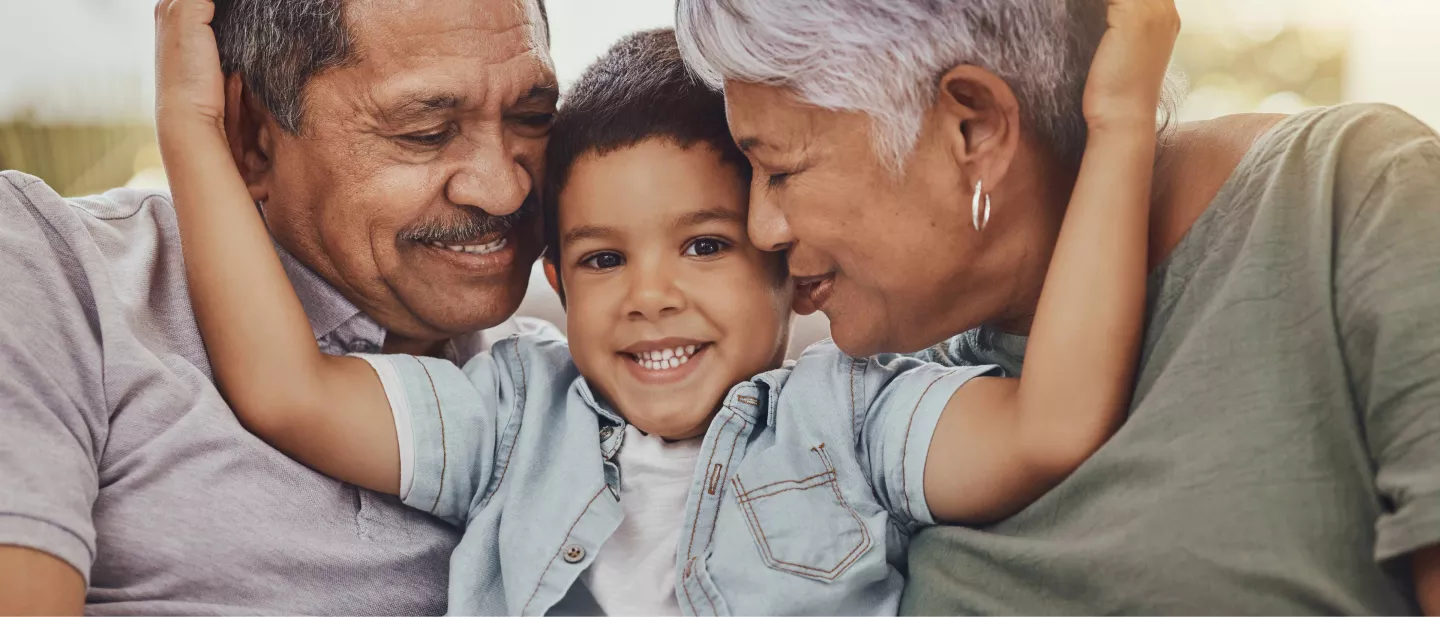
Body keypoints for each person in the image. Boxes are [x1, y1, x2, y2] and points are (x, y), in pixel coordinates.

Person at [155, 0, 1177, 610]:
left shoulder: (854, 416)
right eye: (602, 259)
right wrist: (194, 128)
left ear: (785, 259)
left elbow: (1049, 425)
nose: (651, 297)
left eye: (704, 244)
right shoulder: (515, 415)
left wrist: (1121, 122)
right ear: (555, 278)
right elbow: (287, 390)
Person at [674, 0, 1440, 613]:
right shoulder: (879, 389)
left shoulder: (1352, 199)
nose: (761, 228)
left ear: (974, 128)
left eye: (780, 169)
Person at [0, 0, 556, 613]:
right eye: (425, 134)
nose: (506, 189)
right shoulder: (50, 265)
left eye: (532, 117)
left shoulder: (567, 394)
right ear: (251, 141)